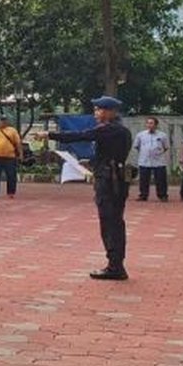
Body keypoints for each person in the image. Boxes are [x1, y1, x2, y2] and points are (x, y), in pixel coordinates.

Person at [36, 96, 133, 280]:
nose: (96, 113)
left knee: (110, 222)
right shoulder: (119, 131)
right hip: (113, 178)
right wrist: (91, 162)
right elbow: (111, 154)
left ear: (111, 112)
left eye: (99, 110)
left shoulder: (110, 130)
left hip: (109, 181)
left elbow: (80, 135)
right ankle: (115, 264)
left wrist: (49, 135)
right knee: (113, 222)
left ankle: (115, 267)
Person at [133, 117, 170, 202]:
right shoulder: (140, 135)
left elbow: (166, 147)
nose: (149, 125)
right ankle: (143, 195)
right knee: (143, 179)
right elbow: (137, 146)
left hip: (159, 161)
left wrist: (157, 152)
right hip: (144, 160)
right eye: (148, 123)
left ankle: (162, 195)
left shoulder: (162, 135)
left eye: (151, 123)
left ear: (156, 125)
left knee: (161, 179)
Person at [0, 115, 23, 198]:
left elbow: (18, 143)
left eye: (4, 120)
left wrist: (21, 154)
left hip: (9, 157)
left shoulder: (12, 131)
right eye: (1, 120)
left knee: (11, 175)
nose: (3, 122)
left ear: (7, 122)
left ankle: (11, 192)